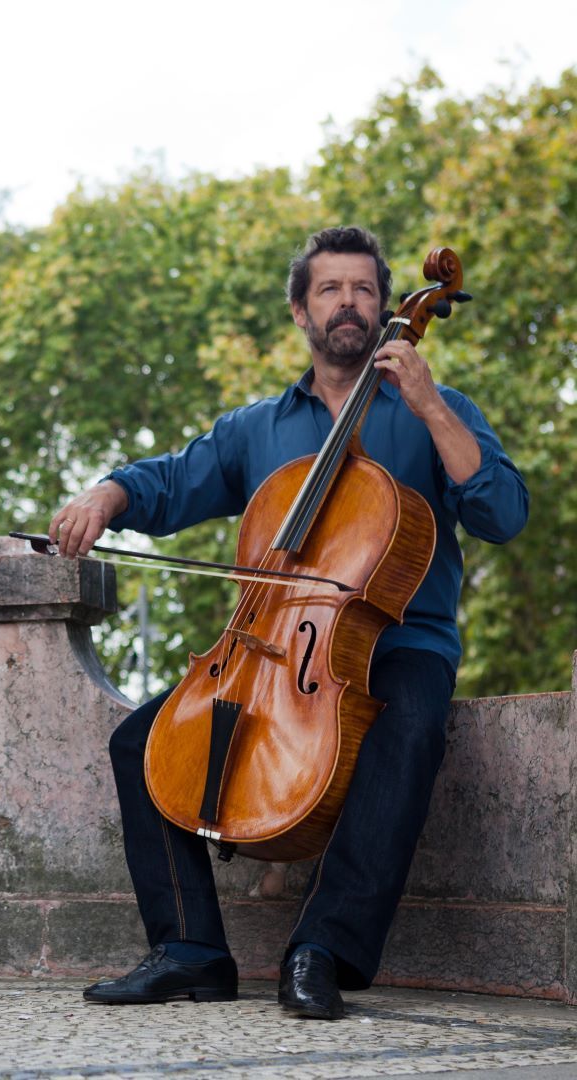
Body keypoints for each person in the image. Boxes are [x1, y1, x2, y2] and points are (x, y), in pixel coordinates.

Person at [48, 226, 528, 1020]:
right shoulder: (258, 428)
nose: (350, 302)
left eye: (366, 289)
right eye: (331, 289)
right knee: (141, 741)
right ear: (302, 311)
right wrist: (108, 495)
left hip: (402, 642)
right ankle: (189, 949)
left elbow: (503, 514)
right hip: (282, 645)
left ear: (384, 307)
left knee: (409, 728)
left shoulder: (438, 409)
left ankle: (321, 950)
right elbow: (171, 482)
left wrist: (429, 401)